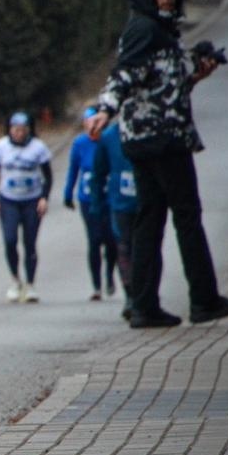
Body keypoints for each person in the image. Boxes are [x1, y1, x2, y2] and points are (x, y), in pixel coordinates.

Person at [88, 0, 228, 328]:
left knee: (151, 219)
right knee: (186, 215)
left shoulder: (159, 30)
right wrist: (104, 109)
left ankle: (144, 305)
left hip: (148, 139)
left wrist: (196, 74)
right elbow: (124, 73)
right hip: (163, 139)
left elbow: (158, 83)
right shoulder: (144, 28)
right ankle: (204, 299)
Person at [0, 112, 53, 303]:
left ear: (29, 130)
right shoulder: (0, 147)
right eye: (15, 130)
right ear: (9, 130)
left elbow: (48, 175)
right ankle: (15, 280)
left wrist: (44, 198)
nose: (19, 133)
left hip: (32, 200)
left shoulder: (38, 147)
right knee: (10, 239)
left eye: (23, 130)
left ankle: (30, 284)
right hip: (8, 200)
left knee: (30, 242)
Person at [65, 106, 119, 300]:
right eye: (88, 122)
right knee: (94, 240)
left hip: (109, 198)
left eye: (95, 122)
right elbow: (73, 169)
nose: (92, 126)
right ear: (85, 124)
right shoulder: (80, 143)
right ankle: (96, 285)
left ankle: (110, 275)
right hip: (87, 199)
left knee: (111, 240)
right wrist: (67, 194)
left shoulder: (109, 141)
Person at [88, 120, 139, 317]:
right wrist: (96, 204)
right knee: (124, 248)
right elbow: (98, 173)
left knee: (147, 249)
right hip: (120, 204)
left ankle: (147, 295)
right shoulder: (109, 136)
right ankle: (131, 296)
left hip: (149, 203)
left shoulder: (150, 130)